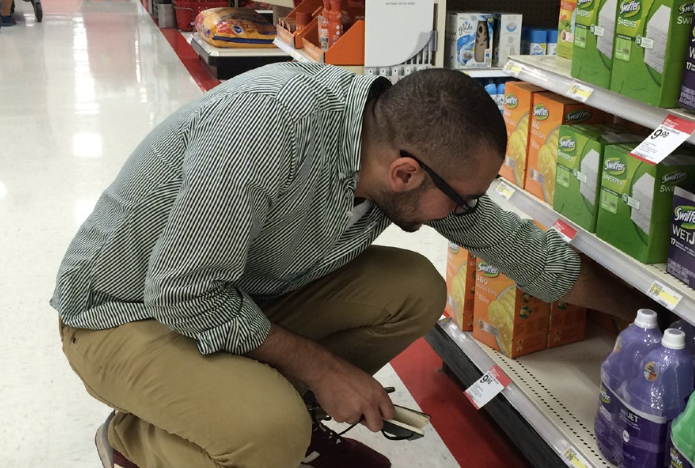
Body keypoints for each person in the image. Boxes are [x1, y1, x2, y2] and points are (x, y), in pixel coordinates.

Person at [52, 63, 648, 468]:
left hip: (232, 291)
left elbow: (517, 246)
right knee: (270, 431)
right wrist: (323, 369)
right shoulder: (265, 126)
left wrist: (641, 311)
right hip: (122, 313)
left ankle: (267, 411)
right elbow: (183, 293)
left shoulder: (389, 139)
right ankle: (134, 440)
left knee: (415, 287)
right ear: (406, 174)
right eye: (462, 198)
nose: (467, 211)